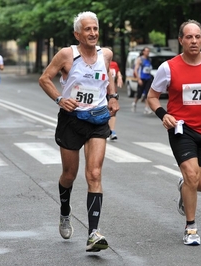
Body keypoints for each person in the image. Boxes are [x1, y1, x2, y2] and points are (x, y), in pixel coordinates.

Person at [39, 11, 119, 252]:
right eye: (87, 29)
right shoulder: (67, 55)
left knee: (94, 174)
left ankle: (93, 232)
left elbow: (108, 77)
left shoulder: (106, 54)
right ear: (77, 34)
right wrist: (60, 99)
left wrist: (113, 96)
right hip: (71, 120)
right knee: (69, 175)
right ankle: (65, 211)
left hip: (98, 119)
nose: (93, 33)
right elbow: (44, 79)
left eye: (95, 29)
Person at [147, 19, 201, 246]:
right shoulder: (168, 67)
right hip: (181, 130)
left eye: (197, 37)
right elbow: (152, 97)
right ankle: (191, 228)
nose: (194, 41)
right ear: (181, 40)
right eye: (189, 37)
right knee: (192, 175)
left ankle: (185, 189)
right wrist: (164, 114)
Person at [132, 47, 153, 114]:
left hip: (148, 78)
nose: (147, 52)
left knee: (148, 93)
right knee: (139, 94)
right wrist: (139, 79)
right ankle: (134, 103)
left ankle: (146, 108)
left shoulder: (149, 59)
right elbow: (135, 70)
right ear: (143, 52)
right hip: (142, 78)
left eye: (148, 51)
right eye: (146, 51)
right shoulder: (140, 59)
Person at [108, 59, 123, 141]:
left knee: (113, 111)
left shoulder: (114, 64)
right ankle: (105, 129)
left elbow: (118, 73)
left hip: (112, 92)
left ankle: (112, 131)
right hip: (101, 92)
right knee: (104, 111)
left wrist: (120, 77)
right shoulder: (99, 63)